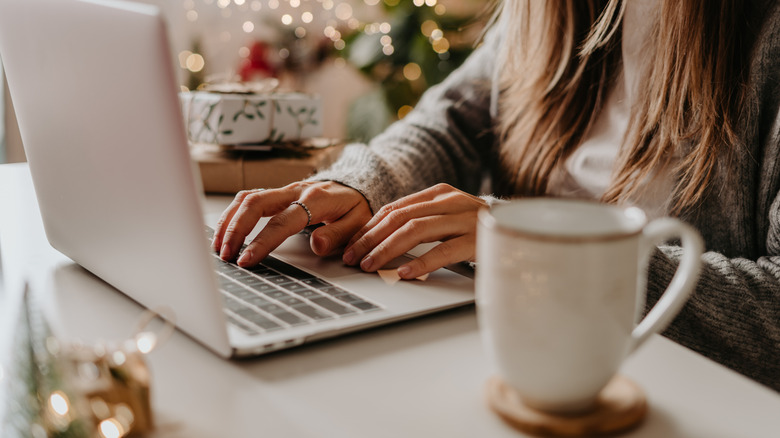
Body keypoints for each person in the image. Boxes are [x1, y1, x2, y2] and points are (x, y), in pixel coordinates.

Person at [212, 0, 780, 391]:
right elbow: (451, 120)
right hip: (515, 342)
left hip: (671, 379)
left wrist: (537, 248)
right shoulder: (539, 13)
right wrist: (359, 184)